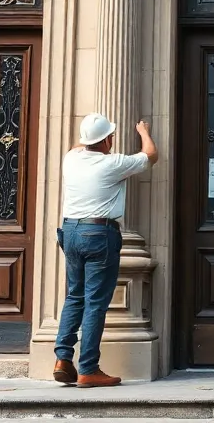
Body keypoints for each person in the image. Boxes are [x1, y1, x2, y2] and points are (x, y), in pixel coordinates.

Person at [53, 113, 158, 388]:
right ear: (108, 139)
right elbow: (150, 155)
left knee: (75, 296)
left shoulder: (71, 159)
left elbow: (79, 147)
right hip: (99, 234)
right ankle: (88, 368)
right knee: (96, 302)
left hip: (70, 231)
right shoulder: (113, 163)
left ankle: (63, 358)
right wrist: (144, 131)